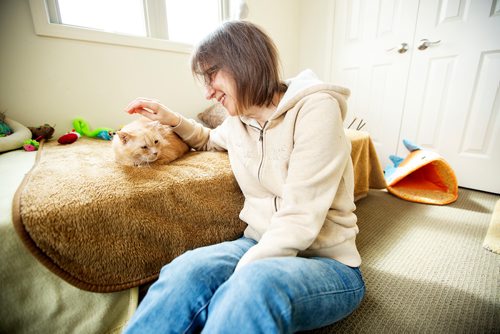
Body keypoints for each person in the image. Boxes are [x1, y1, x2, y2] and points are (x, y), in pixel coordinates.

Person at [123, 20, 365, 334]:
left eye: (212, 75)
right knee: (185, 271)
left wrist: (237, 276)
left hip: (329, 261)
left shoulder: (317, 109)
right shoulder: (238, 121)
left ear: (244, 61)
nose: (209, 92)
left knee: (251, 285)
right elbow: (208, 139)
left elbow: (301, 217)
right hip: (256, 241)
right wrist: (171, 118)